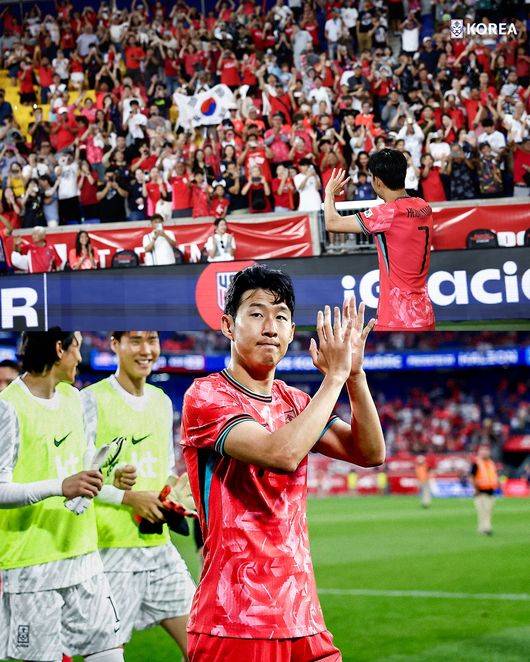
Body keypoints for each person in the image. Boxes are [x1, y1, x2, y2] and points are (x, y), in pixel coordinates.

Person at [181, 264, 385, 661]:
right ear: (228, 325)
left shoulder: (295, 401)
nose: (270, 327)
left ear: (292, 332)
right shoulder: (206, 396)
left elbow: (370, 453)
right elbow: (282, 454)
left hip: (302, 616)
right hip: (234, 620)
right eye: (257, 313)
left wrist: (354, 375)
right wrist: (334, 378)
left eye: (281, 317)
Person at [0, 329, 136, 662]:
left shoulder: (75, 399)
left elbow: (81, 463)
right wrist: (59, 486)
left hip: (83, 555)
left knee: (109, 654)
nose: (80, 357)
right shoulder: (7, 407)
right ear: (59, 349)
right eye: (77, 348)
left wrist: (110, 475)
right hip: (31, 566)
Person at [81, 331, 195, 659]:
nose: (146, 350)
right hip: (108, 552)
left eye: (152, 340)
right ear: (114, 344)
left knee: (205, 645)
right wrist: (128, 497)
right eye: (135, 340)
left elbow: (164, 469)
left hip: (158, 548)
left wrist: (175, 494)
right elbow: (73, 480)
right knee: (105, 656)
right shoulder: (90, 400)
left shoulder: (162, 401)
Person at [324, 151, 436, 331]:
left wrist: (329, 193)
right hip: (425, 314)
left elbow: (332, 223)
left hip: (396, 318)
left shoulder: (387, 213)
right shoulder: (423, 206)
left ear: (377, 181)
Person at [470, 444, 499, 536]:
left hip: (490, 491)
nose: (484, 452)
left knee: (488, 511)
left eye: (486, 450)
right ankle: (485, 528)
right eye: (482, 450)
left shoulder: (491, 463)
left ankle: (484, 528)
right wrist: (475, 489)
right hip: (480, 491)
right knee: (482, 511)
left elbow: (494, 475)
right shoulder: (476, 463)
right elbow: (472, 477)